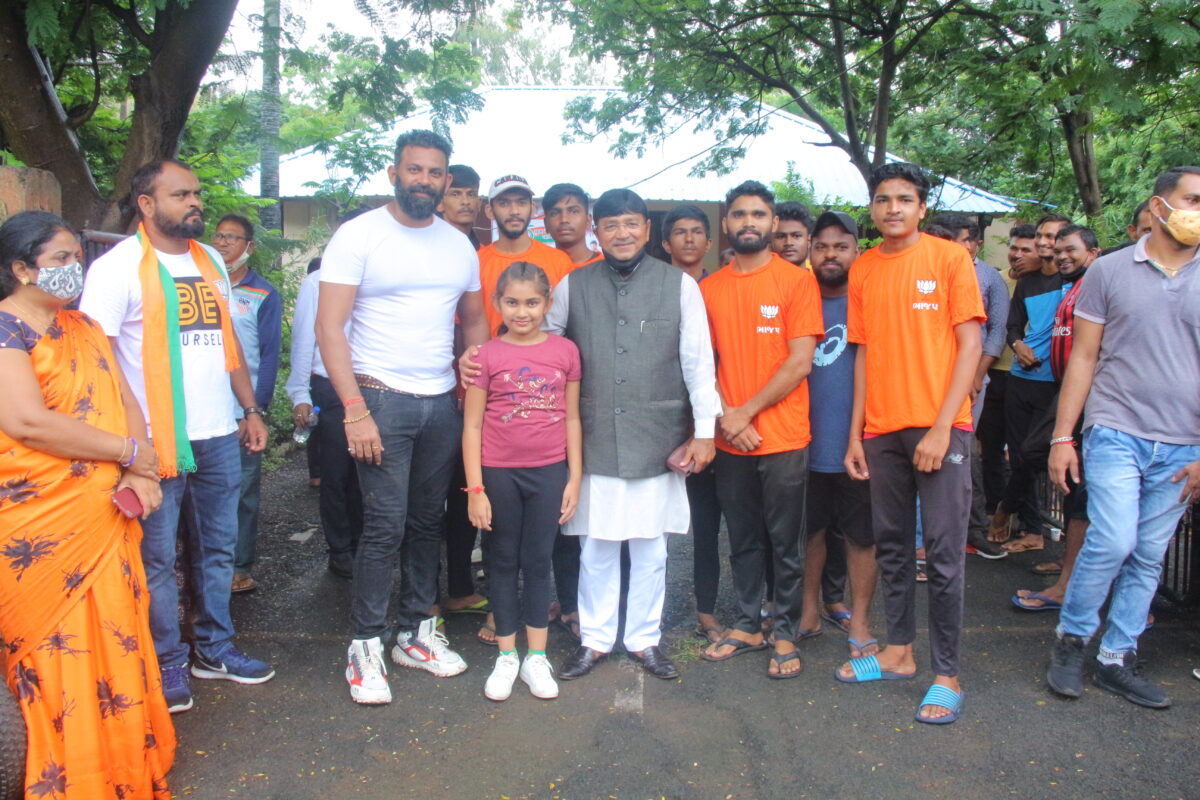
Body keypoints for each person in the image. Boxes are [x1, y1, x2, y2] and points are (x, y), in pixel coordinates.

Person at [502, 187, 722, 682]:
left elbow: (697, 361)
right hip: (594, 436)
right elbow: (542, 344)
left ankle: (644, 639)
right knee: (596, 547)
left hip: (657, 436)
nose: (621, 233)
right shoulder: (573, 285)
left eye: (630, 224)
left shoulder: (679, 286)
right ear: (595, 232)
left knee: (651, 548)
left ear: (647, 230)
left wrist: (705, 431)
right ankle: (596, 640)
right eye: (610, 225)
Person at [81, 159, 274, 715]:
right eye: (180, 194)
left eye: (196, 193)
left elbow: (227, 346)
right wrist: (132, 444)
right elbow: (101, 362)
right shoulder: (116, 270)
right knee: (158, 560)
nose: (195, 203)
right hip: (155, 443)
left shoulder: (209, 259)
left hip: (218, 434)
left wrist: (249, 409)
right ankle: (165, 661)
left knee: (219, 549)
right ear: (146, 204)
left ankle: (214, 648)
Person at [0, 211, 176, 799]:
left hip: (104, 513)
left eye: (76, 257)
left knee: (115, 628)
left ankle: (120, 762)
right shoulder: (6, 329)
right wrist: (127, 451)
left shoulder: (84, 327)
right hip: (38, 523)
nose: (72, 269)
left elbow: (125, 400)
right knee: (57, 643)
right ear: (21, 269)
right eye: (58, 259)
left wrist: (139, 465)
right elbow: (26, 421)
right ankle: (68, 772)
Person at [316, 129, 489, 705]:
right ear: (394, 174)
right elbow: (328, 327)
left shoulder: (458, 245)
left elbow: (474, 318)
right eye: (415, 170)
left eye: (435, 172)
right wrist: (354, 409)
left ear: (446, 179)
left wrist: (473, 364)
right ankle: (365, 643)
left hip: (440, 401)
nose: (425, 181)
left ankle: (416, 633)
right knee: (384, 526)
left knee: (426, 524)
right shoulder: (359, 235)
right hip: (379, 398)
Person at [1046, 166, 1200, 708]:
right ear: (1159, 206)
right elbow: (1083, 357)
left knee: (1149, 554)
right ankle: (1071, 641)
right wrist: (1062, 437)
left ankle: (1117, 657)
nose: (1198, 212)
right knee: (1113, 540)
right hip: (1115, 429)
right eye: (1192, 200)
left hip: (1185, 443)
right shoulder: (1109, 270)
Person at [838, 162, 983, 725]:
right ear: (872, 209)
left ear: (922, 208)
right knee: (893, 547)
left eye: (903, 199)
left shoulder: (949, 259)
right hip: (881, 430)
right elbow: (863, 354)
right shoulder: (865, 268)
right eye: (882, 199)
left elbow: (970, 346)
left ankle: (947, 674)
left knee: (943, 554)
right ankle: (898, 652)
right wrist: (856, 433)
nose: (892, 208)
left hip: (942, 428)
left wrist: (942, 427)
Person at [698, 181, 823, 679]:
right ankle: (749, 624)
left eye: (758, 214)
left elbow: (800, 361)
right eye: (739, 214)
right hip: (731, 439)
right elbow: (702, 363)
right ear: (726, 223)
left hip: (784, 437)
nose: (748, 221)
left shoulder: (797, 282)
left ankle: (786, 631)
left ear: (772, 222)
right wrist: (729, 416)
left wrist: (744, 413)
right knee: (743, 539)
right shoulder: (709, 288)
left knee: (785, 542)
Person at [463, 262, 583, 701]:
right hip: (498, 474)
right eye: (512, 302)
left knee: (537, 561)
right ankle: (506, 656)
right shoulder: (486, 355)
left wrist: (574, 477)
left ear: (547, 304)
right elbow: (472, 427)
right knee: (501, 561)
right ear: (498, 303)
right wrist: (476, 490)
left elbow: (572, 418)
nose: (522, 311)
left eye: (532, 302)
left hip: (549, 472)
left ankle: (536, 657)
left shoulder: (565, 352)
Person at [795, 211, 879, 657]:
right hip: (802, 441)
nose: (830, 254)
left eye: (841, 246)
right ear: (810, 250)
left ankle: (860, 621)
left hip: (859, 443)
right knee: (810, 532)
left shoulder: (870, 301)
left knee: (862, 537)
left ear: (856, 252)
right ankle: (808, 611)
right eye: (822, 246)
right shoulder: (797, 296)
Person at [1012, 225, 1100, 611]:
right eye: (1058, 249)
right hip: (1065, 394)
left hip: (1096, 401)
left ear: (1094, 253)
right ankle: (1068, 569)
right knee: (1049, 466)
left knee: (1083, 491)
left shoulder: (1098, 285)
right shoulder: (1071, 286)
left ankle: (1071, 584)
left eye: (1070, 250)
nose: (1062, 256)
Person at [991, 214, 1073, 553]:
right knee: (1019, 455)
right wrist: (1018, 345)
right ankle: (1034, 531)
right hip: (1022, 378)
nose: (1043, 241)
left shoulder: (1078, 280)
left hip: (1059, 383)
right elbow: (1012, 326)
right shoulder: (1027, 282)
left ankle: (1007, 508)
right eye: (1041, 235)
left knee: (1036, 455)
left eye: (1051, 236)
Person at [930, 213, 1011, 560]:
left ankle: (971, 530)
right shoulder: (925, 273)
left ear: (976, 243)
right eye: (952, 240)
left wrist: (975, 376)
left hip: (972, 380)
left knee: (962, 454)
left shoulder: (989, 277)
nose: (959, 247)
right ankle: (929, 536)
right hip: (929, 379)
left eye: (965, 240)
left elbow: (996, 332)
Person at [661, 204, 724, 643]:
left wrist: (713, 423)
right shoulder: (653, 287)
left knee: (706, 524)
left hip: (709, 425)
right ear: (665, 243)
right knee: (651, 529)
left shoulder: (718, 289)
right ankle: (647, 612)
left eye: (696, 232)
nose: (688, 239)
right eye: (679, 232)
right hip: (663, 423)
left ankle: (707, 611)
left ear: (709, 241)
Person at [212, 214, 282, 594]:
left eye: (232, 237)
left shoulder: (263, 294)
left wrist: (255, 410)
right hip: (204, 411)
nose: (223, 243)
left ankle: (239, 566)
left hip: (243, 411)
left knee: (243, 491)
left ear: (249, 247)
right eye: (219, 236)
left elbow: (269, 357)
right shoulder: (203, 286)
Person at [287, 257, 363, 579]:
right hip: (331, 385)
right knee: (337, 472)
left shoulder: (381, 276)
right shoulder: (318, 281)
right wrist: (300, 394)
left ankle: (364, 546)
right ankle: (341, 550)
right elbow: (305, 337)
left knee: (369, 471)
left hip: (375, 385)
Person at [978, 224, 1038, 526]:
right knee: (990, 449)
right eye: (1014, 247)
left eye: (1026, 249)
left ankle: (1024, 519)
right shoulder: (995, 280)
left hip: (1027, 378)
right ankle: (993, 511)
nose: (1017, 254)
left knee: (1023, 452)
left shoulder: (1045, 285)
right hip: (992, 374)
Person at [477, 175, 575, 337]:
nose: (514, 211)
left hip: (547, 353)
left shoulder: (559, 262)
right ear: (489, 211)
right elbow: (466, 323)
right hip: (490, 353)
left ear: (533, 208)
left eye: (521, 202)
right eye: (504, 203)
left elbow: (573, 323)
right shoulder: (476, 262)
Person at [544, 183, 602, 267]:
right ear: (546, 224)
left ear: (588, 221)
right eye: (555, 213)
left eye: (574, 211)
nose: (564, 220)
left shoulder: (610, 269)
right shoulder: (536, 269)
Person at [439, 164, 483, 249]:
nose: (465, 201)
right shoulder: (423, 248)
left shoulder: (484, 253)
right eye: (455, 194)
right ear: (439, 204)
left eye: (471, 194)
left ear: (479, 204)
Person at [772, 201, 813, 268]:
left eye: (796, 236)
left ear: (809, 240)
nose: (788, 243)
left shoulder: (820, 274)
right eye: (781, 237)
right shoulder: (758, 273)